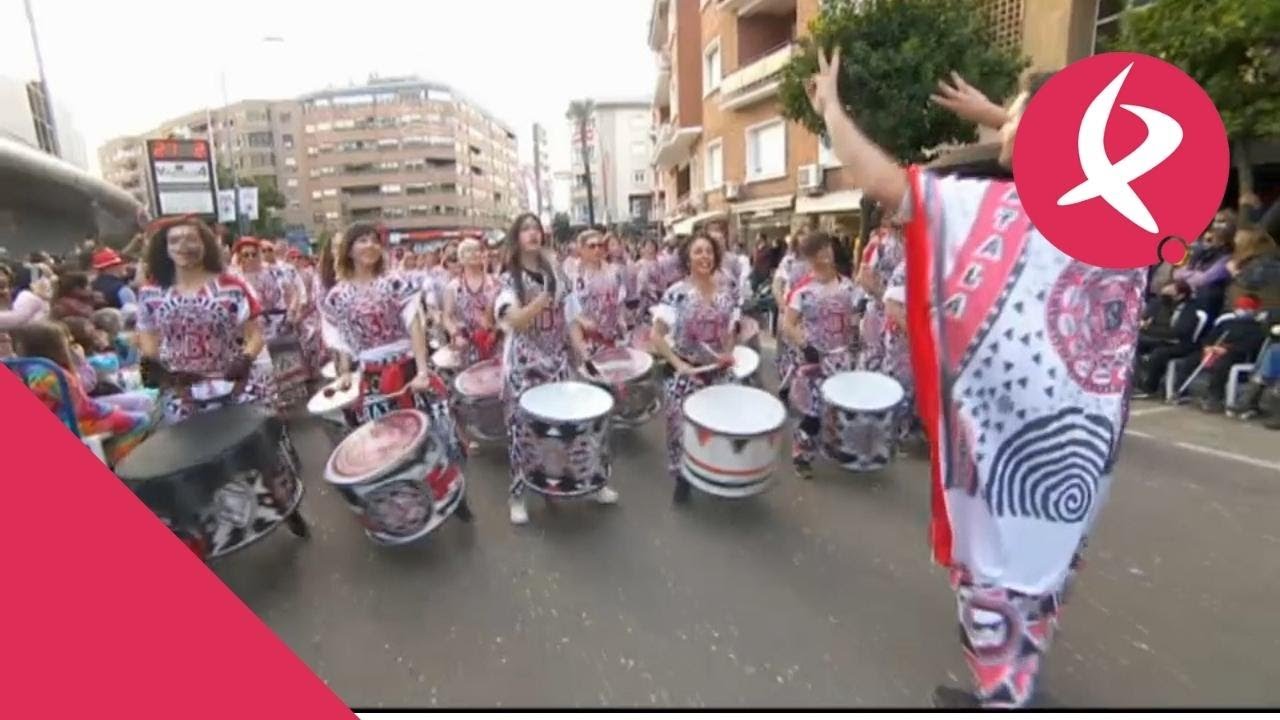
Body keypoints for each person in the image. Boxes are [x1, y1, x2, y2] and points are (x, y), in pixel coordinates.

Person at [813, 53, 1145, 708]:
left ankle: (1004, 696)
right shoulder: (1122, 214)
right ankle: (1013, 681)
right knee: (1040, 579)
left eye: (1014, 118)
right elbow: (1084, 151)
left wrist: (832, 111)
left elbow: (889, 184)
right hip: (1077, 462)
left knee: (993, 588)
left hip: (1003, 461)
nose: (1001, 130)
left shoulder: (992, 209)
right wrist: (1011, 115)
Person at [495, 213, 620, 525]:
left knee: (575, 428)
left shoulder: (557, 272)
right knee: (520, 433)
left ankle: (592, 482)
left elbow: (570, 319)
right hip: (524, 366)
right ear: (516, 237)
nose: (533, 234)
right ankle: (518, 495)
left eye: (536, 228)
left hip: (556, 362)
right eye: (525, 229)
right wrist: (543, 298)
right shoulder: (508, 277)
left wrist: (584, 354)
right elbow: (514, 321)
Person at [318, 222, 464, 470]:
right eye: (362, 240)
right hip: (374, 377)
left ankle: (452, 499)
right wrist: (344, 375)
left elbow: (414, 326)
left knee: (437, 437)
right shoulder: (335, 297)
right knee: (391, 449)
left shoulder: (396, 283)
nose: (371, 245)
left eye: (374, 240)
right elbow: (339, 341)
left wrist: (422, 372)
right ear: (349, 250)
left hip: (409, 365)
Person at [135, 216, 272, 424]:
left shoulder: (232, 287)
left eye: (191, 239)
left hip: (235, 389)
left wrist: (244, 359)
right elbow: (148, 345)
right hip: (182, 397)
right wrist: (162, 374)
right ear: (164, 248)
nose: (183, 246)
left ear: (204, 244)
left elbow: (256, 334)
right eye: (174, 241)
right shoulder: (150, 293)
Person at [651, 233, 739, 504]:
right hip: (686, 372)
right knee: (680, 429)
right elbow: (656, 336)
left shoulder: (726, 291)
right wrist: (678, 365)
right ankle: (682, 477)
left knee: (721, 427)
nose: (705, 257)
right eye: (698, 252)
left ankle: (716, 473)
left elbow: (732, 328)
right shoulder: (675, 293)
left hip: (718, 372)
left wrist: (727, 352)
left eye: (709, 252)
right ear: (687, 258)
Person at [779, 231, 863, 479]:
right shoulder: (803, 290)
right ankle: (801, 454)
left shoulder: (848, 285)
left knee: (840, 409)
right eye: (818, 251)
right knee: (814, 412)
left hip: (843, 357)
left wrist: (856, 343)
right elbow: (788, 323)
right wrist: (806, 347)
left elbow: (855, 319)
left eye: (827, 248)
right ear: (809, 257)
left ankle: (837, 448)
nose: (825, 254)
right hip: (815, 360)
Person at [11, 321, 154, 465]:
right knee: (140, 421)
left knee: (133, 408)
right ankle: (117, 463)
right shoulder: (47, 374)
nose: (69, 342)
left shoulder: (31, 368)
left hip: (74, 415)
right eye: (64, 340)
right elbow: (80, 407)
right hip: (72, 422)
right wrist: (109, 410)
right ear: (53, 344)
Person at [1193, 294, 1269, 413]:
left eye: (1245, 308)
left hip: (1239, 356)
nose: (1241, 311)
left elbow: (1251, 346)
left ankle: (1215, 398)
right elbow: (1210, 337)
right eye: (1240, 308)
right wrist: (1208, 346)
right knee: (1192, 358)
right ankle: (1182, 390)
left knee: (1222, 365)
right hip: (1216, 350)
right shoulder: (1227, 323)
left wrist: (1227, 350)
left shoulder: (1257, 328)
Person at [1133, 281, 1202, 398]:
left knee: (1159, 353)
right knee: (1132, 346)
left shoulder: (1189, 309)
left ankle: (1149, 388)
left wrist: (1150, 328)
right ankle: (1136, 383)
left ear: (1180, 296)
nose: (1164, 296)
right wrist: (1147, 327)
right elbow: (1143, 322)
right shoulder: (1158, 304)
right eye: (1164, 292)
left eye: (1170, 293)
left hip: (1180, 344)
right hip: (1156, 339)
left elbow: (1179, 332)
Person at [567, 229, 628, 362]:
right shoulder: (573, 277)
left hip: (614, 339)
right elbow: (570, 313)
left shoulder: (614, 272)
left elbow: (620, 302)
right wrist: (582, 345)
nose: (597, 249)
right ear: (581, 249)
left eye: (600, 245)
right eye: (592, 246)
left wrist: (622, 322)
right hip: (588, 342)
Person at [442, 238, 501, 367]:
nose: (475, 254)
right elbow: (446, 316)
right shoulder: (453, 286)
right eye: (469, 251)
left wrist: (497, 330)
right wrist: (455, 334)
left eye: (477, 250)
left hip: (494, 343)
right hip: (467, 346)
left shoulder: (496, 283)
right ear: (461, 257)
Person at [1224, 228, 1280, 315]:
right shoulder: (1249, 262)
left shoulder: (1265, 263)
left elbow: (1252, 282)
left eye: (1235, 245)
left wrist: (1234, 272)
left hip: (1265, 314)